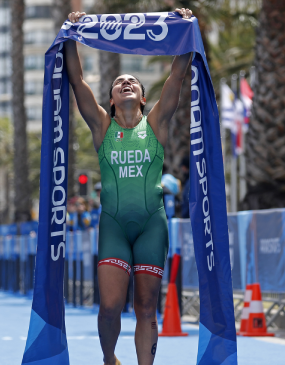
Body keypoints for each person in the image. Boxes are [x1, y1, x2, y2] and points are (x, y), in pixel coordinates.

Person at [66, 8, 193, 365]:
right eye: (118, 82)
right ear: (110, 99)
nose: (125, 83)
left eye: (132, 83)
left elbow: (177, 74)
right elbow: (77, 81)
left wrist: (184, 28)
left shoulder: (155, 125)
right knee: (108, 308)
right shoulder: (102, 129)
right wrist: (72, 32)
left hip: (152, 224)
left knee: (146, 309)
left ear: (141, 98)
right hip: (114, 226)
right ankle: (110, 359)